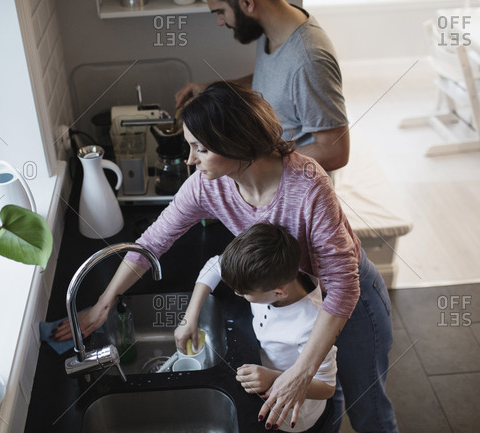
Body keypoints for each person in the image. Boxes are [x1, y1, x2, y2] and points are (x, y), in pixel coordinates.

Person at [54, 82, 398, 432]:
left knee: (368, 408)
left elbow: (342, 288)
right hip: (290, 301)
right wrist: (104, 303)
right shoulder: (209, 185)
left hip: (348, 301)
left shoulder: (308, 185)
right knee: (323, 398)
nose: (190, 159)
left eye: (199, 148)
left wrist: (302, 372)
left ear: (235, 142)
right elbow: (153, 242)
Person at [175, 0, 350, 173]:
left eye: (220, 12)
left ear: (248, 3)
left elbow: (335, 152)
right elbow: (279, 81)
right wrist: (209, 89)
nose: (220, 22)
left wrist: (250, 160)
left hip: (292, 183)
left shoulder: (309, 60)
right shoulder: (274, 30)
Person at [211, 223, 337, 432]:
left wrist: (273, 377)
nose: (237, 294)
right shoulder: (271, 277)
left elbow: (327, 388)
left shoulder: (310, 325)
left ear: (279, 293)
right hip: (265, 380)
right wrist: (192, 312)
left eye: (243, 293)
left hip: (294, 416)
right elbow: (215, 264)